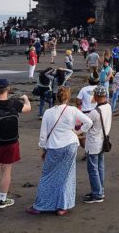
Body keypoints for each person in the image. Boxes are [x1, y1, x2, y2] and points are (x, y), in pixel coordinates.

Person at [27, 87, 92, 216]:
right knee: (66, 175)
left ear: (56, 97)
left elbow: (43, 134)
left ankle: (40, 205)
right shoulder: (72, 110)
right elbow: (88, 122)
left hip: (53, 146)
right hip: (70, 144)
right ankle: (62, 207)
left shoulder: (48, 112)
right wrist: (77, 132)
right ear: (67, 98)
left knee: (47, 175)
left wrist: (43, 148)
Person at [0, 79, 32, 209]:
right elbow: (28, 108)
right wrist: (25, 98)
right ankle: (3, 199)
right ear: (8, 89)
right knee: (7, 170)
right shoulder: (14, 103)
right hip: (11, 142)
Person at [83, 86, 112, 204]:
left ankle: (97, 194)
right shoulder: (108, 106)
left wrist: (74, 132)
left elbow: (84, 127)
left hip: (93, 143)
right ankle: (100, 190)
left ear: (96, 96)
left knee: (93, 169)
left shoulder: (94, 112)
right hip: (103, 140)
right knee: (100, 167)